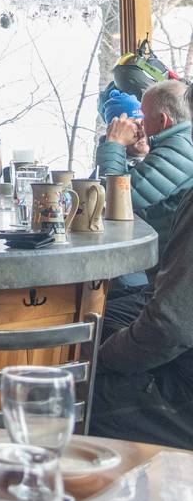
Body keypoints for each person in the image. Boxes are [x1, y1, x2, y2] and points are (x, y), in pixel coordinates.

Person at [91, 179, 193, 450]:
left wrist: (98, 360)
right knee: (100, 324)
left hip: (183, 397)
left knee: (45, 399)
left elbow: (169, 329)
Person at [96, 78, 193, 246]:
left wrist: (114, 143)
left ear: (162, 121)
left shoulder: (179, 148)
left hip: (163, 262)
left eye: (143, 118)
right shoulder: (178, 143)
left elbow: (115, 202)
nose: (140, 125)